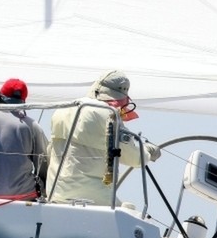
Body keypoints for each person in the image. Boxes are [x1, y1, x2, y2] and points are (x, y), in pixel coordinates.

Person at [46, 70, 160, 205]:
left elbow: (50, 150)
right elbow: (135, 158)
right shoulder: (109, 114)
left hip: (55, 193)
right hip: (95, 197)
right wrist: (148, 151)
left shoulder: (63, 109)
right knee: (130, 209)